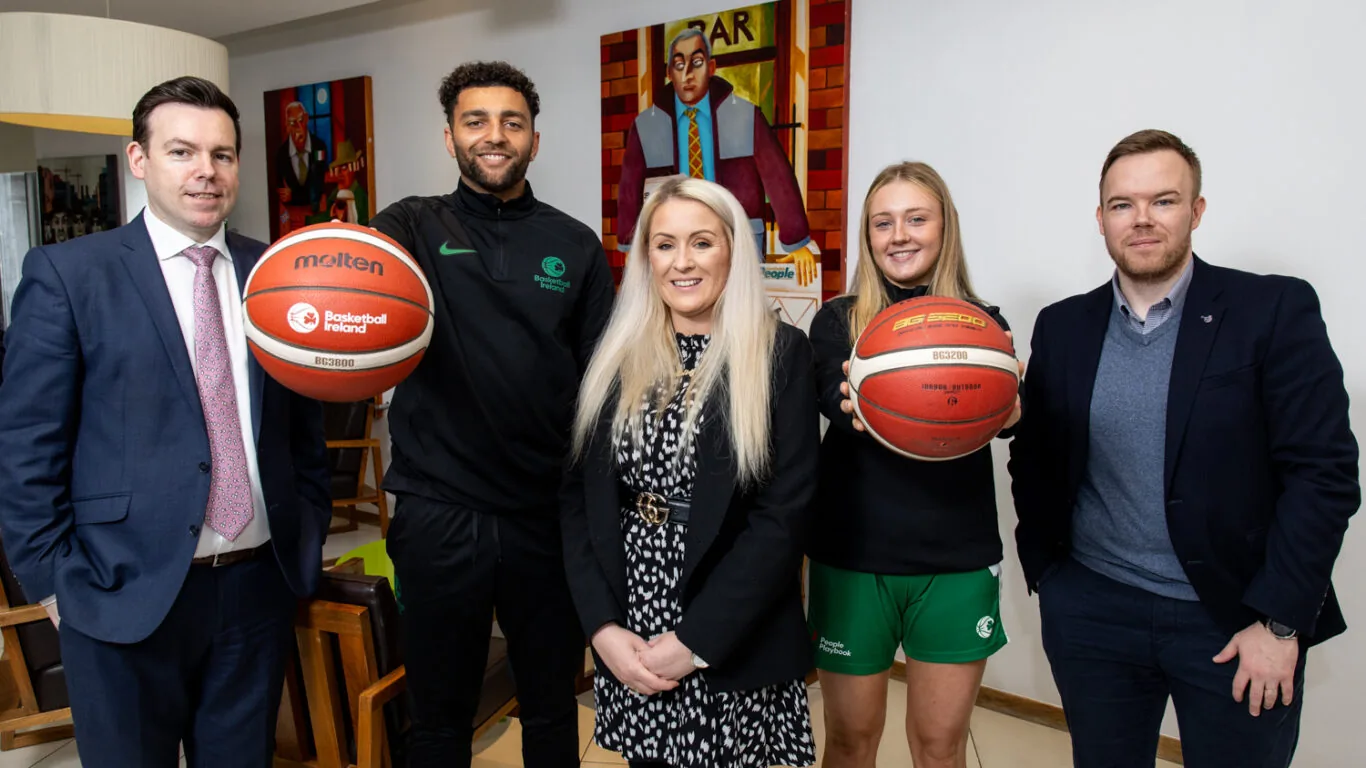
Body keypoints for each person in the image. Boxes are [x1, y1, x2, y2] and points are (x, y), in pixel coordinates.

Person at [0, 76, 331, 767]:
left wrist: (306, 530)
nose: (206, 172)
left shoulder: (275, 274)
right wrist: (58, 587)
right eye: (182, 151)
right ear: (139, 159)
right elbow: (26, 450)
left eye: (223, 154)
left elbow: (303, 431)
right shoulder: (68, 275)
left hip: (255, 588)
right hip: (119, 594)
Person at [1009, 129, 1360, 767]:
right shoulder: (1062, 325)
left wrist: (1281, 623)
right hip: (1094, 610)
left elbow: (1323, 474)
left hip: (1234, 618)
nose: (1141, 220)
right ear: (1100, 219)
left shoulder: (1271, 309)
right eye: (1122, 205)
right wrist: (1052, 578)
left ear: (1196, 211)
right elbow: (1035, 455)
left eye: (1163, 201)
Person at [367, 61, 614, 767]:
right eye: (475, 121)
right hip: (439, 512)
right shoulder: (408, 226)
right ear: (449, 137)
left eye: (512, 122)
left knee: (548, 706)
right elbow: (350, 301)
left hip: (545, 515)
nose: (494, 136)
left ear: (535, 140)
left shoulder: (576, 246)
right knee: (439, 715)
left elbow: (602, 383)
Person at [563, 176, 818, 768]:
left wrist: (696, 642)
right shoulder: (613, 354)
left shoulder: (780, 354)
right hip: (631, 627)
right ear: (645, 257)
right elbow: (577, 499)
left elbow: (785, 516)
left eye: (702, 242)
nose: (682, 262)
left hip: (731, 628)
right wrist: (601, 626)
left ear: (733, 249)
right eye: (664, 244)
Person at [806, 162, 1020, 768]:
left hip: (956, 560)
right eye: (883, 222)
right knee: (850, 743)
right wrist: (868, 398)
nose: (899, 235)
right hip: (851, 557)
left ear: (943, 227)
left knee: (939, 747)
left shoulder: (986, 328)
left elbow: (1014, 415)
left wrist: (1010, 410)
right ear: (868, 236)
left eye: (916, 218)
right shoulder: (836, 322)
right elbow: (832, 397)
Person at [618, 28, 820, 287]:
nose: (688, 74)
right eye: (679, 65)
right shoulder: (646, 125)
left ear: (711, 67)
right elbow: (629, 189)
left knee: (740, 304)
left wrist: (796, 240)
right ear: (669, 73)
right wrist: (628, 246)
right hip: (675, 240)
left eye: (697, 63)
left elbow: (777, 175)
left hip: (737, 232)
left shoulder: (745, 115)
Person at [276, 101, 328, 208]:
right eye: (292, 123)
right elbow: (281, 196)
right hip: (291, 216)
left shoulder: (319, 147)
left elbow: (317, 187)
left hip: (315, 212)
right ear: (287, 126)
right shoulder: (281, 154)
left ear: (307, 118)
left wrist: (294, 196)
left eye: (301, 120)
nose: (299, 127)